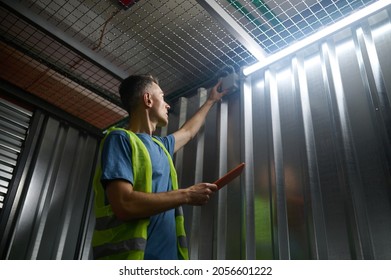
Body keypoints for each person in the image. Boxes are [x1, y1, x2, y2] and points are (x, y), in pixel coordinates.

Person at [92, 74, 227, 260]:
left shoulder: (161, 146)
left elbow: (188, 132)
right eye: (162, 97)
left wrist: (211, 100)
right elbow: (124, 204)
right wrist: (187, 195)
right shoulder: (120, 139)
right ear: (147, 99)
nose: (168, 104)